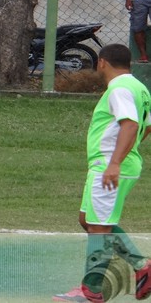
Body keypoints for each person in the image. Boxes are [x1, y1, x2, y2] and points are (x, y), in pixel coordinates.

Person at [54, 44, 151, 303]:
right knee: (88, 219)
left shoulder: (119, 89)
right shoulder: (138, 87)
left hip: (110, 167)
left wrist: (116, 162)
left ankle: (91, 291)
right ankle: (142, 267)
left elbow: (130, 124)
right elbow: (146, 125)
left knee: (99, 228)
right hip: (110, 165)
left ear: (102, 63)